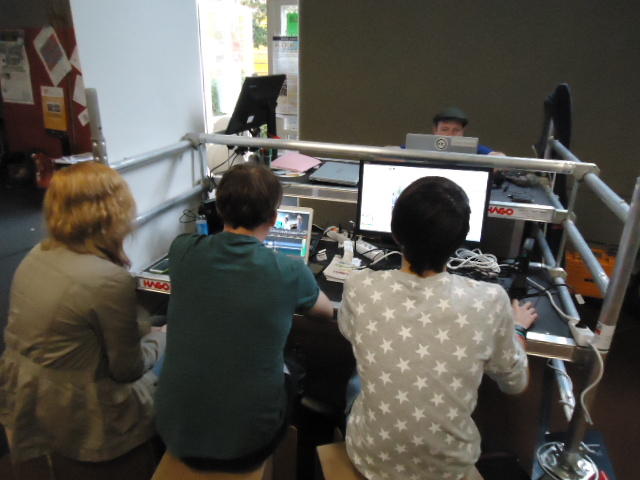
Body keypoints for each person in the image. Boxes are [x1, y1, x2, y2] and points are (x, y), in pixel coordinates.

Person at [338, 176, 537, 480]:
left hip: (369, 461)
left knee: (358, 377)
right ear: (461, 238)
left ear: (395, 231)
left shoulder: (359, 286)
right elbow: (515, 382)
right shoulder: (490, 300)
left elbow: (349, 331)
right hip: (448, 471)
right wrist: (517, 330)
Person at [155, 163, 333, 472]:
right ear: (274, 218)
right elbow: (325, 313)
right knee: (295, 363)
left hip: (172, 432)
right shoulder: (289, 270)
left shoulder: (182, 251)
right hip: (249, 445)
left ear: (219, 209)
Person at [0, 162, 166, 467]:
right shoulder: (106, 279)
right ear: (113, 212)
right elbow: (127, 369)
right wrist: (163, 338)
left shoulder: (38, 254)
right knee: (169, 350)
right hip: (81, 409)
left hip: (29, 397)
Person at [433, 107, 506, 156]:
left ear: (462, 132)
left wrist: (499, 159)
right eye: (445, 129)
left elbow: (497, 156)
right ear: (435, 131)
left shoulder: (471, 148)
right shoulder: (426, 147)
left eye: (456, 130)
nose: (450, 134)